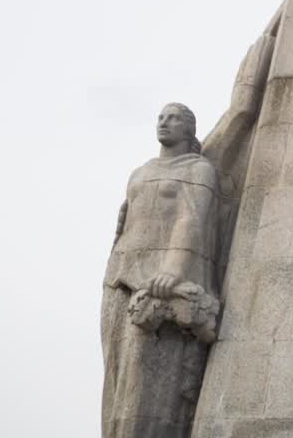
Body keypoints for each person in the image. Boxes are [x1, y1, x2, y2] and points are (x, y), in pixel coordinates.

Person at [101, 103, 221, 438]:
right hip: (119, 278)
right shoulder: (139, 172)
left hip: (159, 285)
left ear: (189, 128)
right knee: (115, 375)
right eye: (161, 117)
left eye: (174, 118)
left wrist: (174, 268)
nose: (164, 122)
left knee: (144, 380)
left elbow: (191, 219)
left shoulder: (199, 170)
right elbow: (125, 222)